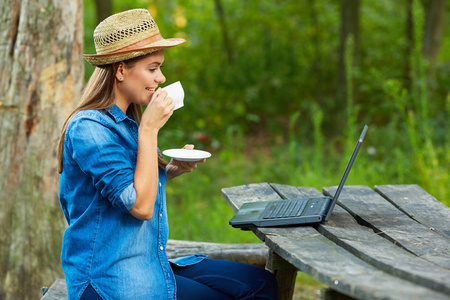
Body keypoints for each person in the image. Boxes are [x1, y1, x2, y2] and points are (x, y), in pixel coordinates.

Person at [57, 8, 278, 300]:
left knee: (261, 282)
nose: (161, 78)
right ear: (121, 70)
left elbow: (129, 185)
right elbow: (140, 206)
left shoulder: (126, 122)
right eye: (152, 68)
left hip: (146, 261)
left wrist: (170, 170)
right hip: (111, 277)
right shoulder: (89, 128)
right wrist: (149, 130)